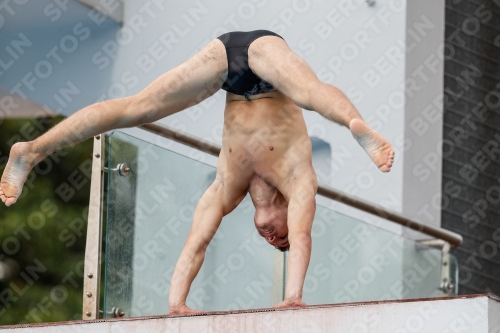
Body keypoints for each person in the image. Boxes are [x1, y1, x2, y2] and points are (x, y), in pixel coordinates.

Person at [0, 30, 394, 313]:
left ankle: (29, 150)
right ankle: (356, 125)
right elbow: (304, 234)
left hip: (228, 74)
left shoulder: (227, 186)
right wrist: (293, 297)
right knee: (307, 92)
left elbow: (196, 243)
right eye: (282, 237)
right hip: (262, 54)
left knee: (139, 112)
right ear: (288, 211)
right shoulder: (300, 180)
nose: (276, 238)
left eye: (274, 245)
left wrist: (177, 304)